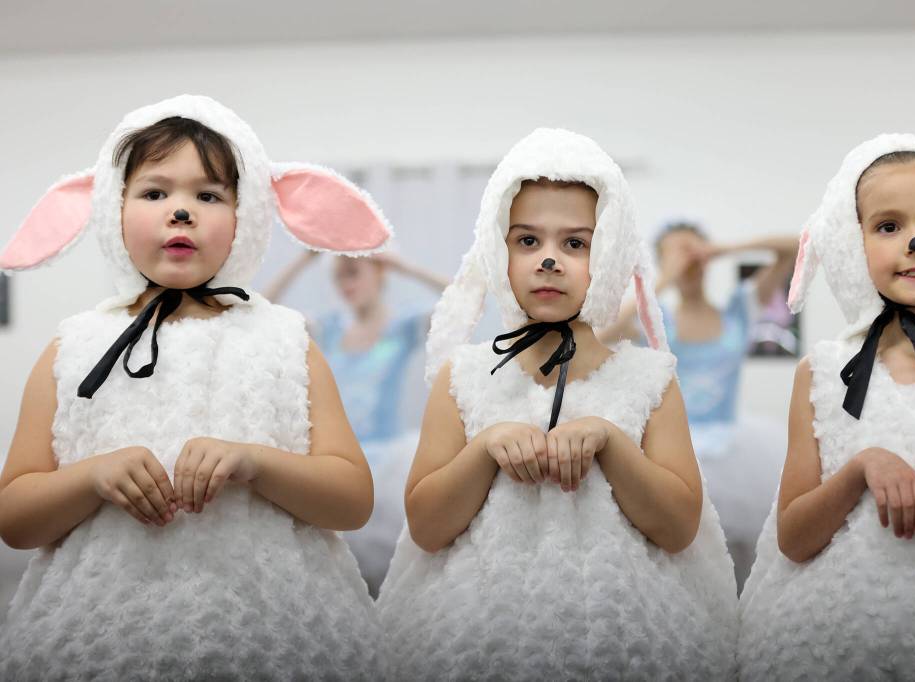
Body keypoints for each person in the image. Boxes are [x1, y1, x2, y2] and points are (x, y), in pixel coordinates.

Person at [0, 95, 391, 679]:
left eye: (208, 196)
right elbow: (15, 518)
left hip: (275, 636)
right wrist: (91, 475)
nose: (180, 211)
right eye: (154, 193)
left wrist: (256, 461)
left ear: (247, 216)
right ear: (111, 208)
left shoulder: (287, 342)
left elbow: (352, 501)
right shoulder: (73, 348)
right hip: (99, 640)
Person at [377, 128, 738, 680]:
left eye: (575, 244)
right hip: (477, 642)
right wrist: (485, 447)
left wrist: (612, 441)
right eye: (527, 241)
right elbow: (426, 528)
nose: (549, 259)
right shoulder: (463, 376)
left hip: (625, 643)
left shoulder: (650, 379)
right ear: (498, 253)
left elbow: (678, 527)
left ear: (609, 256)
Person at [739, 134, 915, 680]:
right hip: (840, 648)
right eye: (888, 227)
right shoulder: (823, 374)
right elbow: (793, 539)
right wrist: (860, 468)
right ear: (855, 244)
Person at [600, 224, 797, 586]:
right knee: (681, 556)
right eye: (676, 253)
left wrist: (726, 248)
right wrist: (664, 278)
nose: (688, 260)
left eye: (693, 250)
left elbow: (793, 246)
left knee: (740, 561)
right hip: (672, 451)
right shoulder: (654, 319)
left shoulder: (738, 310)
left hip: (734, 454)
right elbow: (601, 333)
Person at [265, 249, 448, 594]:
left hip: (389, 467)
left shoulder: (401, 327)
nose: (345, 284)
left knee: (393, 571)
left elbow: (462, 298)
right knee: (344, 568)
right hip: (340, 461)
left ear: (378, 272)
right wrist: (303, 259)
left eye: (353, 273)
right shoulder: (329, 329)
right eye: (338, 277)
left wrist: (403, 265)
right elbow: (262, 309)